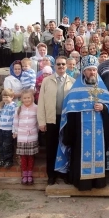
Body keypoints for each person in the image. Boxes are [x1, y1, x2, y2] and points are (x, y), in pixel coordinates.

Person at [55, 55, 109, 191]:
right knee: (79, 154)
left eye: (94, 70)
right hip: (80, 132)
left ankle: (98, 182)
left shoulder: (102, 90)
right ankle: (82, 183)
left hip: (99, 131)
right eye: (89, 70)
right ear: (83, 72)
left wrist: (103, 108)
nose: (92, 72)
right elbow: (69, 110)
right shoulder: (75, 91)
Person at [37, 56, 75, 185]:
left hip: (67, 120)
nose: (61, 66)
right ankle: (51, 175)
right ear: (55, 66)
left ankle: (64, 173)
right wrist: (41, 121)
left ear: (67, 65)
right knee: (51, 148)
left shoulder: (73, 81)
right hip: (51, 119)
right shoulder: (47, 81)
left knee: (66, 146)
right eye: (58, 64)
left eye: (63, 64)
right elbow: (41, 102)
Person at [12, 89, 39, 184]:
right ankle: (24, 174)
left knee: (31, 156)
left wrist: (39, 129)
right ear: (22, 99)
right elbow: (15, 121)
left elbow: (38, 121)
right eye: (25, 98)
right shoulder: (18, 109)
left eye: (28, 98)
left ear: (32, 98)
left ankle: (30, 174)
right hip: (22, 136)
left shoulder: (36, 108)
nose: (27, 100)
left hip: (32, 136)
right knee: (23, 156)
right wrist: (15, 131)